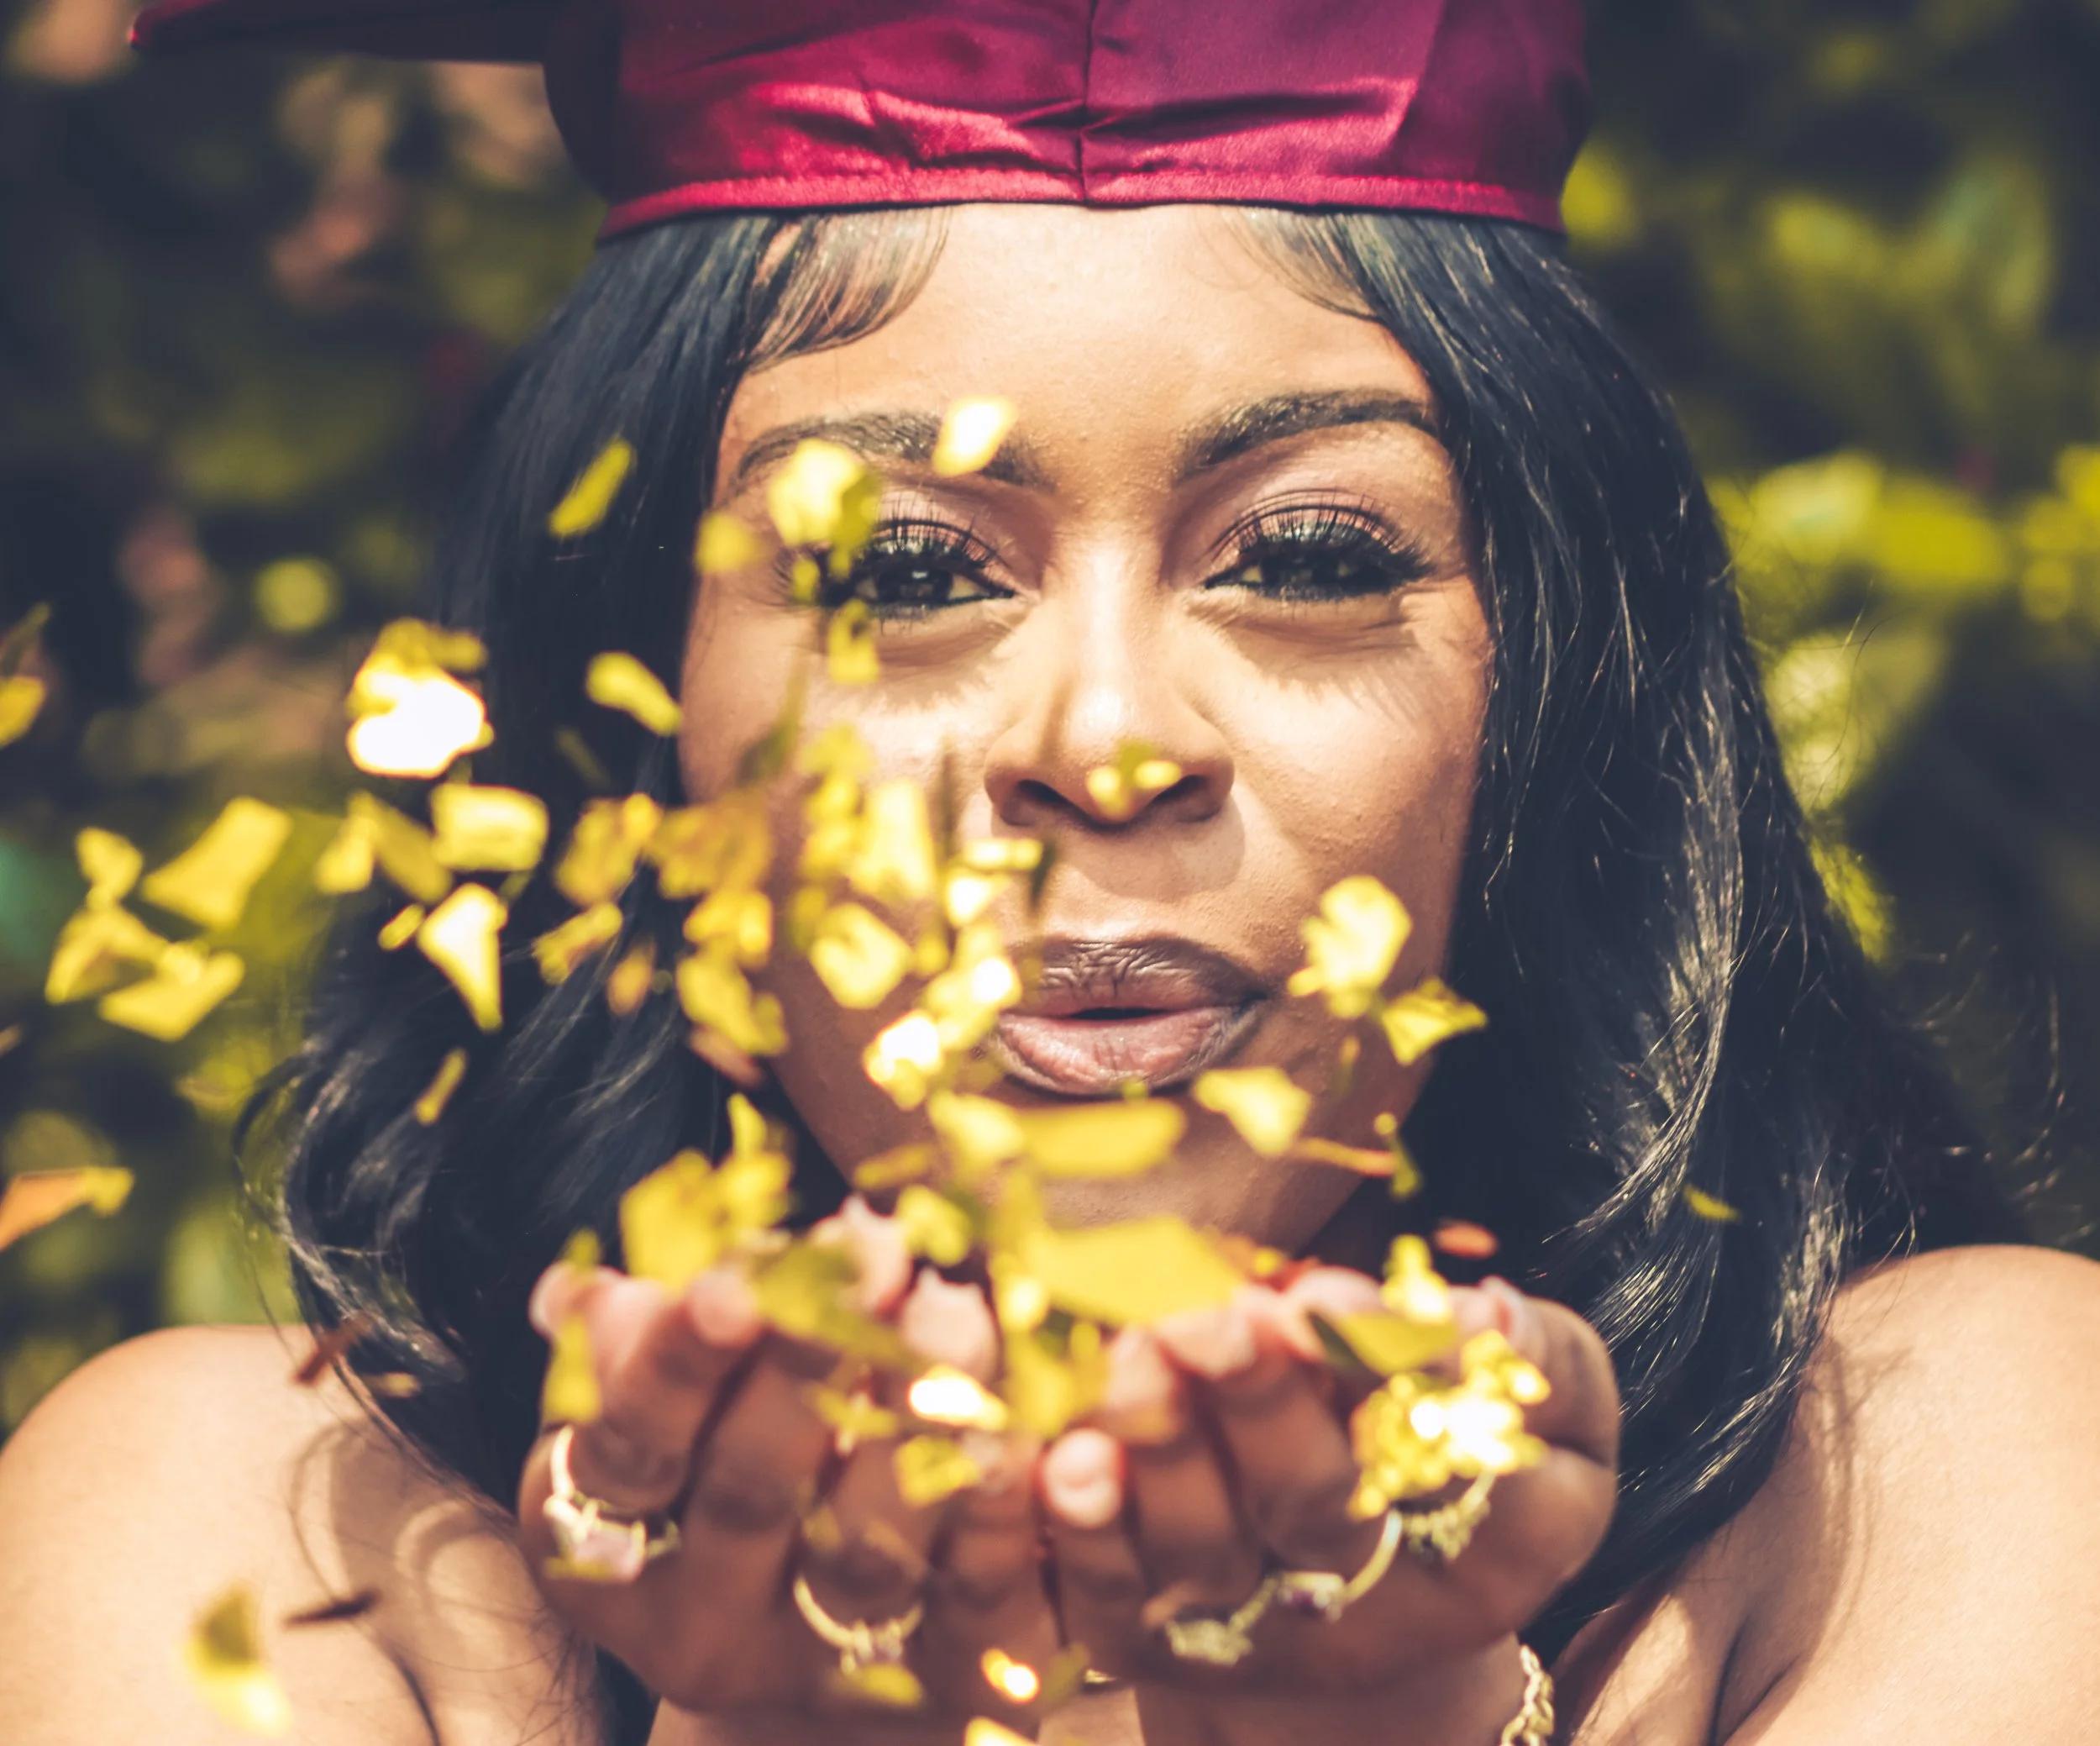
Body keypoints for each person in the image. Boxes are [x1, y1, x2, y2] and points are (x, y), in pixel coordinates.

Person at [5, 3, 2100, 1743]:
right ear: (633, 713)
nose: (1103, 747)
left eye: (1305, 557)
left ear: (1545, 690)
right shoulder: (266, 1551)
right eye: (905, 571)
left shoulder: (1936, 1473)